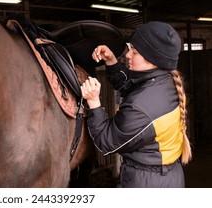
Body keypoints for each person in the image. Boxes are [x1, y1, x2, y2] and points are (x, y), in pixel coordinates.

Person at [81, 21, 192, 188]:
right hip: (168, 177)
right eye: (129, 48)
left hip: (145, 184)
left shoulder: (141, 108)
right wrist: (111, 61)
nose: (127, 55)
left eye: (135, 51)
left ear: (153, 59)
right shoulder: (164, 80)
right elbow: (132, 86)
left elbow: (107, 141)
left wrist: (94, 102)